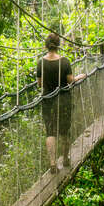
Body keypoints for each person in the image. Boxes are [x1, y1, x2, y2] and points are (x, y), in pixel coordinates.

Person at [37, 32, 76, 172]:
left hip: (48, 101)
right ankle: (65, 159)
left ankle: (53, 164)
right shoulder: (65, 61)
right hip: (64, 100)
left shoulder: (41, 62)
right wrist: (80, 77)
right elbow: (70, 80)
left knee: (50, 132)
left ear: (46, 45)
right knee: (64, 132)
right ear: (58, 45)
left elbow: (40, 84)